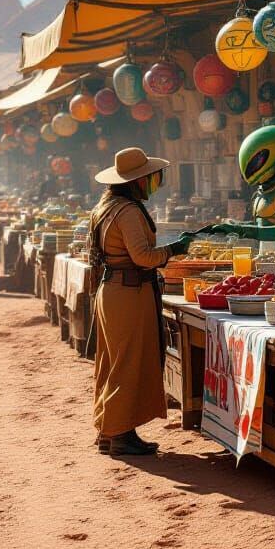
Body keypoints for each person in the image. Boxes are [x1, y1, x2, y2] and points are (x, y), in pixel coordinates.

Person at [89, 148, 193, 457]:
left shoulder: (106, 206)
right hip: (128, 294)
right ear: (138, 181)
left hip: (114, 291)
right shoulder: (129, 211)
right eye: (151, 178)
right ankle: (119, 434)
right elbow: (143, 257)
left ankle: (112, 431)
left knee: (113, 363)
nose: (155, 183)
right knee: (128, 365)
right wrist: (175, 248)